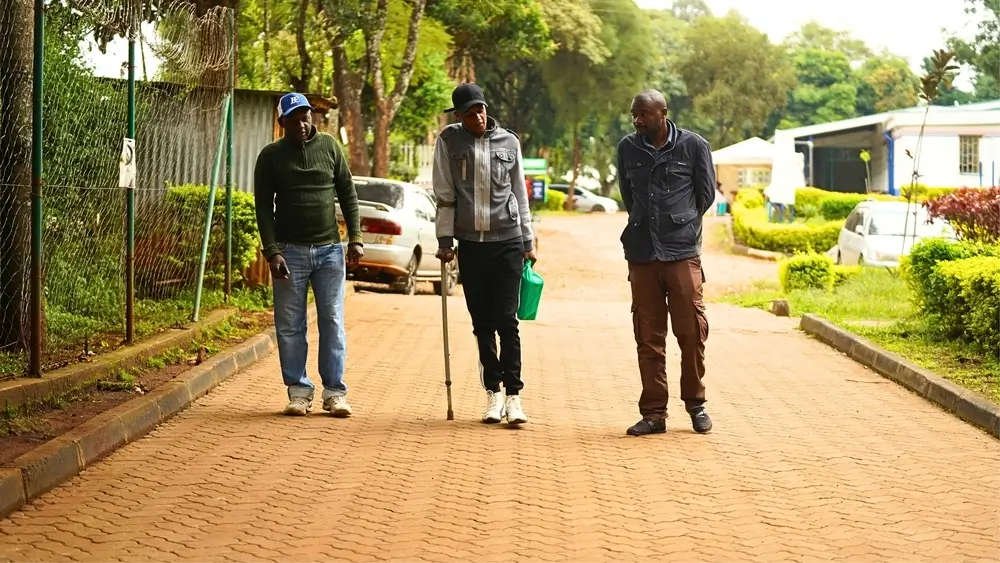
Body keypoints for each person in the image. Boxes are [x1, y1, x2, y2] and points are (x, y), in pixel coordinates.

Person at [253, 92, 364, 417]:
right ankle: (299, 392)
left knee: (332, 320)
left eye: (306, 116)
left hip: (329, 251)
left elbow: (347, 192)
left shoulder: (329, 146)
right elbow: (263, 207)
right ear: (281, 122)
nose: (302, 123)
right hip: (290, 252)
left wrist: (355, 238)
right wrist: (272, 252)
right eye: (295, 117)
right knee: (290, 325)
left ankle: (334, 393)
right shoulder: (271, 156)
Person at [432, 83, 536, 425]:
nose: (478, 117)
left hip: (507, 241)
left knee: (507, 321)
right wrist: (445, 239)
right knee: (482, 324)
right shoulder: (449, 141)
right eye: (470, 112)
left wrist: (528, 240)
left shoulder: (509, 141)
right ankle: (492, 392)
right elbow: (445, 193)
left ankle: (514, 397)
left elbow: (520, 193)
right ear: (459, 115)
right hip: (470, 245)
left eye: (481, 109)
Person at [616, 89, 716, 436]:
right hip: (642, 255)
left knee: (691, 333)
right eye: (634, 114)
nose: (637, 120)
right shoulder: (627, 147)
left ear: (663, 112)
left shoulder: (693, 146)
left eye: (643, 113)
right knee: (648, 336)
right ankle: (654, 414)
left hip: (682, 253)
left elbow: (705, 195)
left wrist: (681, 223)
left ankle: (696, 405)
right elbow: (628, 194)